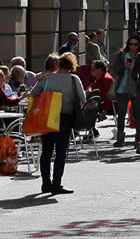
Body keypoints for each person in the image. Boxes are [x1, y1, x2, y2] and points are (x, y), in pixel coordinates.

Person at [31, 52, 85, 194]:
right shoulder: (74, 79)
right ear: (72, 66)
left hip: (48, 117)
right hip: (65, 118)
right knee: (61, 152)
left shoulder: (47, 77)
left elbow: (33, 93)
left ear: (58, 64)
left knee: (46, 151)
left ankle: (45, 183)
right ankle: (57, 183)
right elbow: (83, 97)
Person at [110, 35, 140, 148]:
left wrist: (135, 68)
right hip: (122, 88)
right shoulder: (122, 55)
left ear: (139, 45)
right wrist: (123, 66)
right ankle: (120, 139)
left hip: (136, 88)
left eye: (135, 44)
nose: (132, 46)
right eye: (130, 44)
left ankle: (138, 139)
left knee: (137, 114)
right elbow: (113, 69)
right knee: (122, 113)